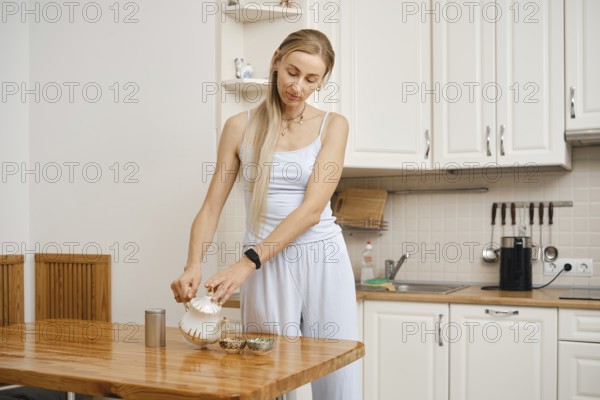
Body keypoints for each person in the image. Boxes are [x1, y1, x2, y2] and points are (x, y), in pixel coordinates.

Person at [171, 29, 360, 400]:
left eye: (311, 80)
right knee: (269, 375)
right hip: (264, 266)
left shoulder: (333, 126)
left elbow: (310, 211)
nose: (298, 87)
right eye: (292, 72)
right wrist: (192, 264)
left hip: (320, 258)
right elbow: (211, 206)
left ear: (322, 82)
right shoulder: (239, 128)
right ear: (276, 61)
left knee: (338, 370)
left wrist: (245, 264)